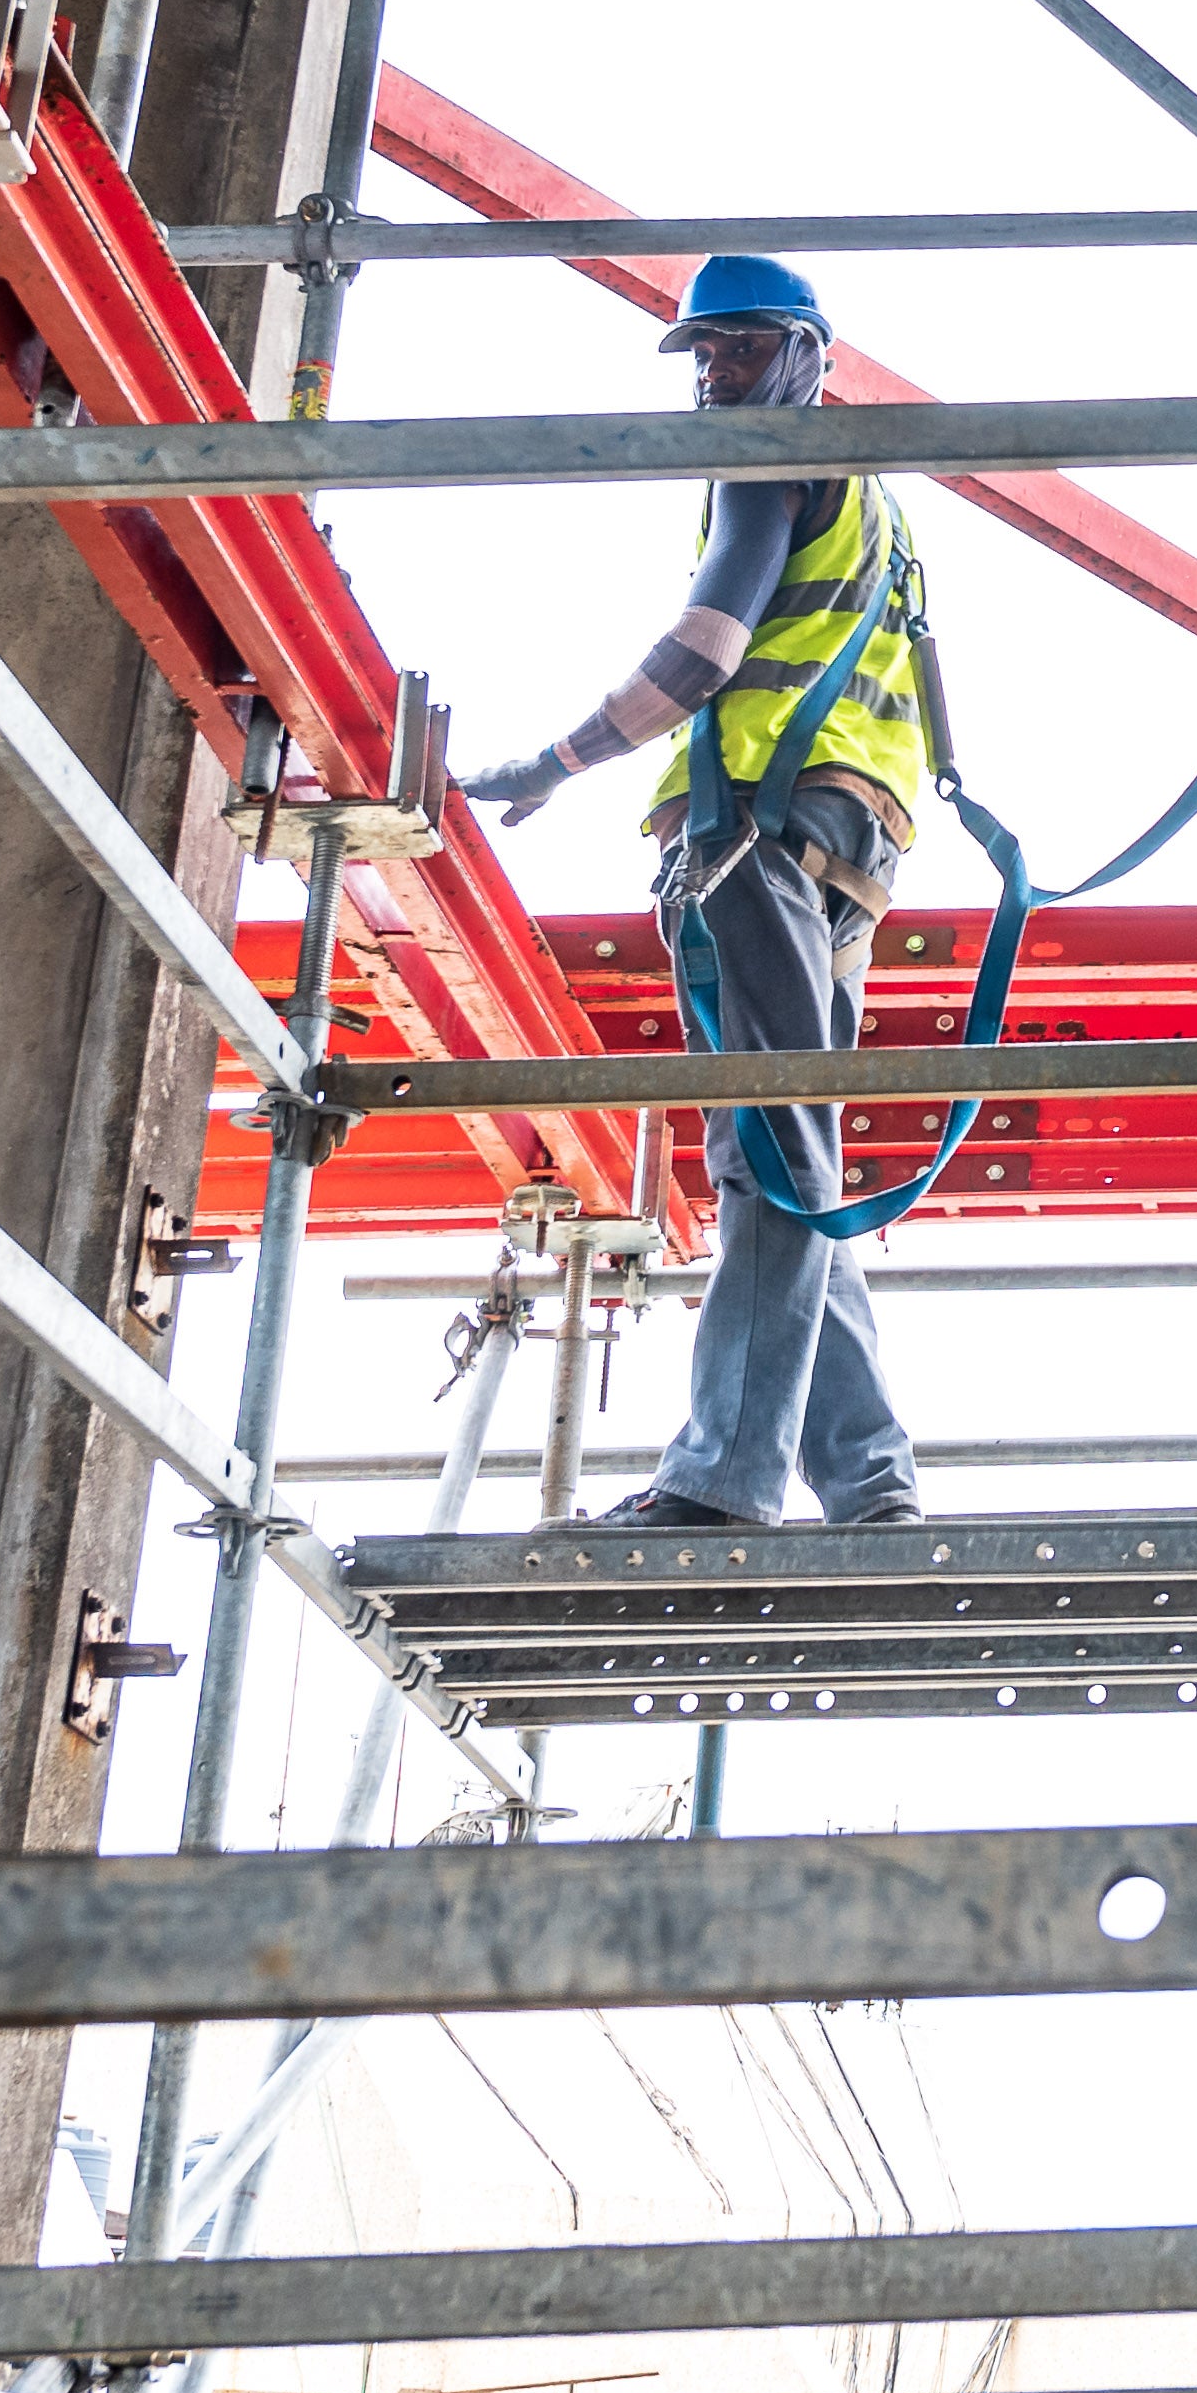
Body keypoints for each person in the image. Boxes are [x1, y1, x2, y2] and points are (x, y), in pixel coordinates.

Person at [460, 256, 936, 1530]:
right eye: (703, 354)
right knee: (795, 1144)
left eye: (739, 347)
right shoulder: (874, 502)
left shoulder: (772, 460)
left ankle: (725, 1477)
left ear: (808, 350)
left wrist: (557, 760)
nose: (716, 375)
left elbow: (707, 649)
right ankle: (869, 1476)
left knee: (771, 1143)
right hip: (846, 840)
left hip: (758, 827)